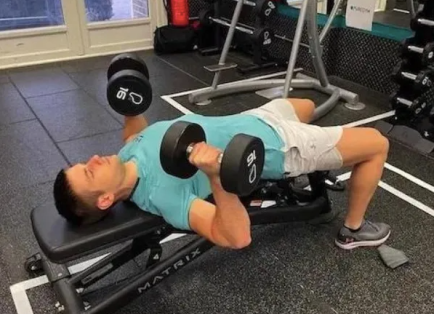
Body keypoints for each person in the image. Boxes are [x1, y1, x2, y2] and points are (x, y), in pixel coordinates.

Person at [53, 98, 391, 250]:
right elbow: (236, 237)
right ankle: (353, 231)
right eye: (89, 171)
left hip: (253, 119)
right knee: (377, 143)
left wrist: (130, 107)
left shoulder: (126, 154)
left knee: (304, 104)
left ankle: (316, 169)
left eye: (85, 162)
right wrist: (217, 176)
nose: (94, 159)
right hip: (279, 146)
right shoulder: (165, 198)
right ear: (107, 200)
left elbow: (133, 134)